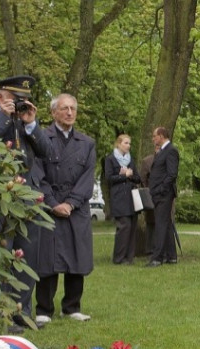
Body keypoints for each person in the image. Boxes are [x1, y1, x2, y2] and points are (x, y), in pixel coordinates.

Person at [0, 75, 52, 332]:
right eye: (16, 99)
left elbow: (48, 152)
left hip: (27, 198)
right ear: (1, 97)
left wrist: (32, 124)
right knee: (0, 256)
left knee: (27, 258)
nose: (19, 104)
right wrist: (3, 117)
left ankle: (21, 312)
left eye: (24, 100)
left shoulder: (25, 122)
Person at [34, 94, 96, 324]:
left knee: (77, 256)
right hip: (49, 206)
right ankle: (44, 309)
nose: (69, 113)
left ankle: (72, 307)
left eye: (73, 109)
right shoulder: (41, 138)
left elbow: (87, 179)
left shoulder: (87, 143)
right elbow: (37, 175)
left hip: (76, 208)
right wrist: (52, 204)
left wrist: (70, 203)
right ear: (53, 112)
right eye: (64, 108)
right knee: (47, 259)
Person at [103, 134, 141, 265]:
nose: (128, 146)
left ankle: (129, 258)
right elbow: (109, 178)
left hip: (131, 198)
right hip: (119, 198)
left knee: (132, 227)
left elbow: (138, 178)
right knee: (124, 226)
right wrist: (124, 176)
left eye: (129, 143)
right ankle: (119, 258)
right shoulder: (110, 159)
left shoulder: (131, 160)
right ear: (118, 144)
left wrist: (130, 175)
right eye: (126, 143)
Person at [146, 126, 180, 267]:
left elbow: (172, 174)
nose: (153, 139)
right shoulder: (162, 151)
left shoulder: (171, 151)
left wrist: (161, 189)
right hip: (159, 193)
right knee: (166, 224)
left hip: (164, 194)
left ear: (161, 136)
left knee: (160, 224)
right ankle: (171, 256)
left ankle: (157, 258)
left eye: (154, 136)